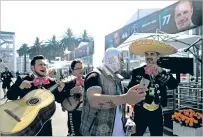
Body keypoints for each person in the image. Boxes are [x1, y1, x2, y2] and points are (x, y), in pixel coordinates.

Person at [80, 48, 147, 136]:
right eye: (121, 60)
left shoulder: (117, 79)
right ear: (113, 60)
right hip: (97, 133)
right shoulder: (94, 76)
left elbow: (126, 103)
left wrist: (129, 119)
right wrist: (125, 97)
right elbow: (94, 100)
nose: (123, 64)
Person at [128, 39, 179, 136]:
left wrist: (160, 73)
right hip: (140, 110)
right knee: (136, 134)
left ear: (158, 56)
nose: (149, 57)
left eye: (152, 54)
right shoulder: (137, 72)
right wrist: (146, 77)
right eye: (147, 54)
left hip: (157, 111)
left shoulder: (162, 71)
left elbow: (173, 85)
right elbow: (130, 90)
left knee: (157, 134)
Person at [7, 55, 66, 136]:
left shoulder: (52, 82)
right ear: (33, 68)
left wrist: (60, 90)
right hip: (25, 123)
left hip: (45, 123)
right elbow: (10, 96)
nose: (43, 67)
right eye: (40, 65)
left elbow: (60, 100)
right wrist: (19, 87)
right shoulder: (23, 79)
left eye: (45, 65)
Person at [61, 59, 85, 136]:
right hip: (74, 112)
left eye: (81, 68)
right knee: (74, 133)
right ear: (72, 70)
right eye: (77, 69)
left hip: (85, 112)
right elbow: (61, 96)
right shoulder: (68, 81)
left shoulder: (86, 80)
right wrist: (71, 91)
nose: (80, 70)